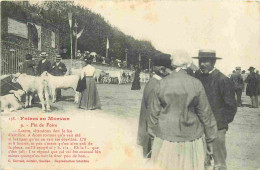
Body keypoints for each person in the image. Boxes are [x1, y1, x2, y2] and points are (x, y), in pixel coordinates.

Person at [148, 50, 217, 170]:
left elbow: (153, 114)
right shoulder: (196, 84)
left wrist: (153, 137)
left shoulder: (161, 83)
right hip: (191, 139)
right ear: (188, 64)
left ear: (173, 64)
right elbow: (205, 114)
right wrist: (210, 140)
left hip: (165, 138)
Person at [194, 50, 237, 170]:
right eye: (200, 61)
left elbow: (231, 106)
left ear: (213, 62)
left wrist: (220, 124)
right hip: (198, 125)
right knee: (202, 159)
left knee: (218, 161)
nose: (202, 64)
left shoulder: (222, 79)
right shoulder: (196, 76)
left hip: (217, 126)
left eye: (206, 61)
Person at [137, 58, 171, 158]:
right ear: (162, 70)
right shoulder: (156, 85)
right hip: (152, 136)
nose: (172, 73)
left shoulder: (154, 82)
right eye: (171, 69)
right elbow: (153, 113)